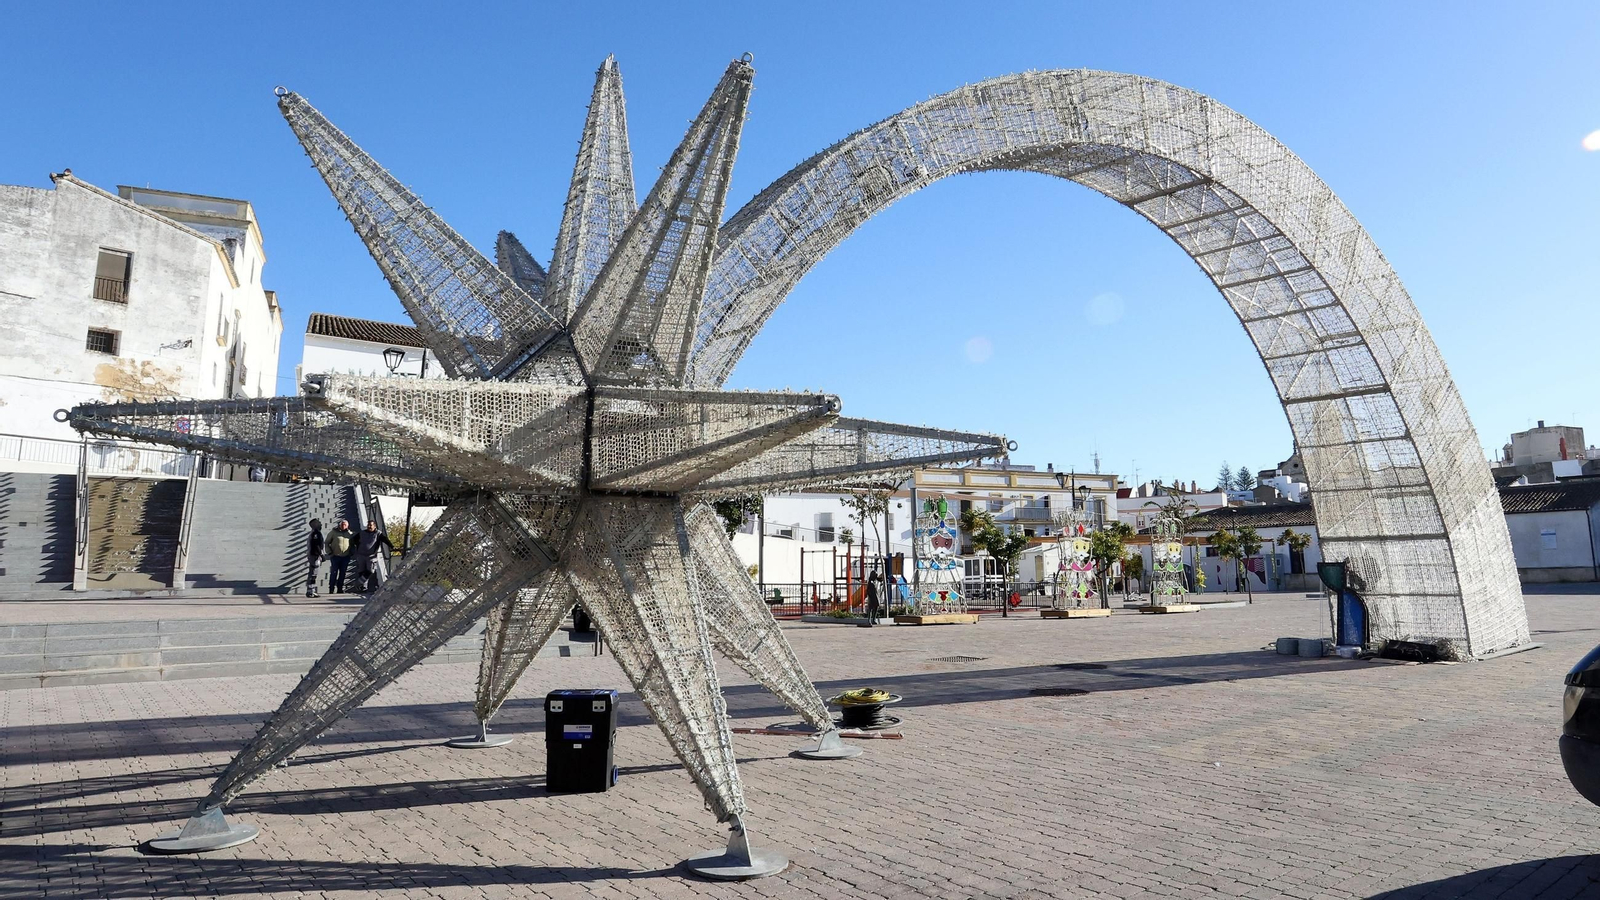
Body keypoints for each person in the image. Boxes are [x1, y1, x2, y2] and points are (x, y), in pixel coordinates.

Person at [352, 520, 395, 593]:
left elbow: (385, 539)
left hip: (371, 556)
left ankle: (359, 583)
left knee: (370, 571)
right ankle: (362, 587)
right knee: (361, 571)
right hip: (361, 555)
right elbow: (354, 540)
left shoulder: (378, 533)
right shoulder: (362, 533)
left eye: (371, 525)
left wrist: (392, 546)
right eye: (368, 525)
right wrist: (359, 547)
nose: (369, 526)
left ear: (374, 526)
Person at [326, 519, 355, 593]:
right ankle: (331, 588)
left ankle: (340, 588)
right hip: (335, 556)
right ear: (339, 525)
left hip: (345, 557)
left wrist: (352, 552)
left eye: (345, 525)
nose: (343, 526)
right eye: (342, 524)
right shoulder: (333, 532)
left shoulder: (350, 533)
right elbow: (326, 542)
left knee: (343, 573)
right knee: (334, 573)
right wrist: (329, 552)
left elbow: (353, 544)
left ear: (347, 526)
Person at [305, 518, 325, 599]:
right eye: (319, 523)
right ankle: (311, 591)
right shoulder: (316, 534)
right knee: (313, 574)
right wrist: (321, 555)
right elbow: (317, 546)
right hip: (315, 556)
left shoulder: (314, 533)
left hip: (313, 555)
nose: (320, 524)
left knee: (313, 573)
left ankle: (311, 590)